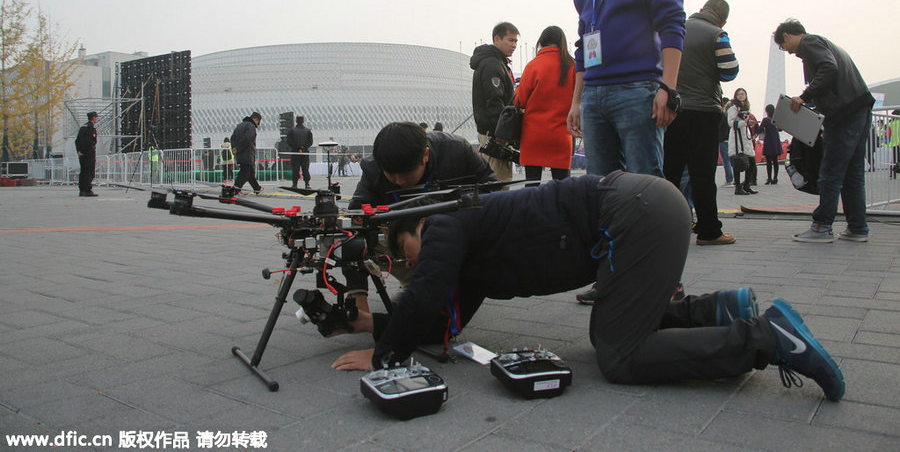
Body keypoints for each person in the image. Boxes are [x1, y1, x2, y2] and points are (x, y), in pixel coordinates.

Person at [330, 173, 845, 404]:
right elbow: (444, 320)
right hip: (644, 210)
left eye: (407, 254)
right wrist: (367, 325)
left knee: (619, 354)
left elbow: (423, 296)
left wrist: (384, 358)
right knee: (621, 323)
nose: (412, 266)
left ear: (416, 228)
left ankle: (768, 339)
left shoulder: (445, 223)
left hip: (634, 216)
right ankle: (722, 310)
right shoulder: (472, 252)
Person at [561, 0, 685, 179]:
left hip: (637, 90)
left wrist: (668, 88)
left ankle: (652, 226)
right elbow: (582, 49)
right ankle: (608, 228)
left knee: (644, 182)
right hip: (593, 95)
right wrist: (576, 102)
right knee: (599, 184)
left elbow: (673, 25)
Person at [346, 122, 496, 313]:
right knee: (343, 236)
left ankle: (436, 288)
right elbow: (354, 223)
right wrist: (358, 294)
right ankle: (401, 291)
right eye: (391, 174)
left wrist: (456, 224)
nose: (399, 181)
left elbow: (492, 191)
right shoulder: (373, 168)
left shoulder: (456, 151)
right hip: (400, 241)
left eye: (406, 174)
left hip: (452, 239)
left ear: (425, 155)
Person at [774, 19, 875, 242]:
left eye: (783, 47)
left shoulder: (809, 43)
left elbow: (829, 68)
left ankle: (821, 226)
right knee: (853, 174)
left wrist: (804, 96)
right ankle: (857, 228)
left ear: (788, 36)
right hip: (859, 108)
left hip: (843, 115)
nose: (787, 53)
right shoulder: (823, 43)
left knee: (830, 172)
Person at [663, 0, 738, 245]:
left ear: (702, 8)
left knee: (670, 172)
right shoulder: (717, 34)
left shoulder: (676, 28)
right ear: (722, 19)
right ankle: (709, 231)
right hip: (704, 111)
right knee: (702, 175)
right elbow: (730, 70)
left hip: (673, 109)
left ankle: (665, 227)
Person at [514, 26, 576, 185]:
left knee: (532, 187)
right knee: (562, 187)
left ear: (541, 42)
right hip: (561, 135)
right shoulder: (572, 66)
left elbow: (520, 101)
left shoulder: (533, 65)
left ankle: (533, 210)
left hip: (534, 135)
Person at [471, 22, 518, 182]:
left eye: (515, 41)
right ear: (497, 39)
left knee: (497, 180)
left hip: (493, 133)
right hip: (495, 135)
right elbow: (494, 102)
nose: (514, 45)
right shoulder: (492, 64)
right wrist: (502, 134)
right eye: (510, 40)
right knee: (499, 182)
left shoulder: (497, 62)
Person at [726, 88, 757, 195]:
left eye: (743, 94)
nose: (741, 96)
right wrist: (744, 123)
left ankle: (746, 185)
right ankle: (738, 186)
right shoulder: (733, 108)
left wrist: (748, 123)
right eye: (739, 94)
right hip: (737, 137)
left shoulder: (746, 107)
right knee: (738, 162)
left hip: (745, 137)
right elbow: (731, 123)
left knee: (751, 161)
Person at [230, 111, 262, 194]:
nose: (258, 123)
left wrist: (234, 148)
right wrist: (238, 148)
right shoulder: (251, 126)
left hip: (240, 153)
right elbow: (248, 139)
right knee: (245, 173)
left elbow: (232, 138)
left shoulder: (239, 125)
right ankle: (236, 189)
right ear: (255, 119)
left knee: (250, 172)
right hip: (247, 152)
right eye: (258, 121)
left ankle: (257, 188)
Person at [75, 111, 99, 197]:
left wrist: (79, 150)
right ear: (93, 118)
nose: (97, 119)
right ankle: (87, 190)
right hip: (89, 153)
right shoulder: (90, 128)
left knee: (83, 171)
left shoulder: (83, 127)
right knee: (89, 172)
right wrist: (85, 151)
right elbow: (90, 141)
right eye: (96, 117)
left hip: (81, 153)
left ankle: (82, 190)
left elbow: (77, 140)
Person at [286, 116, 313, 189]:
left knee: (295, 169)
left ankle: (295, 184)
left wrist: (297, 148)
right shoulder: (308, 131)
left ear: (296, 121)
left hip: (295, 153)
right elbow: (310, 142)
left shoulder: (291, 131)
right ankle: (307, 184)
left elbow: (289, 141)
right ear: (303, 121)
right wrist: (303, 147)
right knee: (305, 169)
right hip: (305, 153)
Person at [759, 104, 782, 185]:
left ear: (767, 111)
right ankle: (775, 178)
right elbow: (781, 129)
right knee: (775, 160)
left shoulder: (765, 120)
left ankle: (769, 178)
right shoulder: (776, 119)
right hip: (776, 140)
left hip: (768, 140)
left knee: (768, 161)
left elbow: (760, 129)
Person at [718, 97, 734, 187]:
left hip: (723, 139)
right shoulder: (730, 114)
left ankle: (729, 180)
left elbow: (719, 126)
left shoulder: (722, 114)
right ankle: (733, 179)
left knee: (726, 160)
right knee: (731, 159)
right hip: (730, 139)